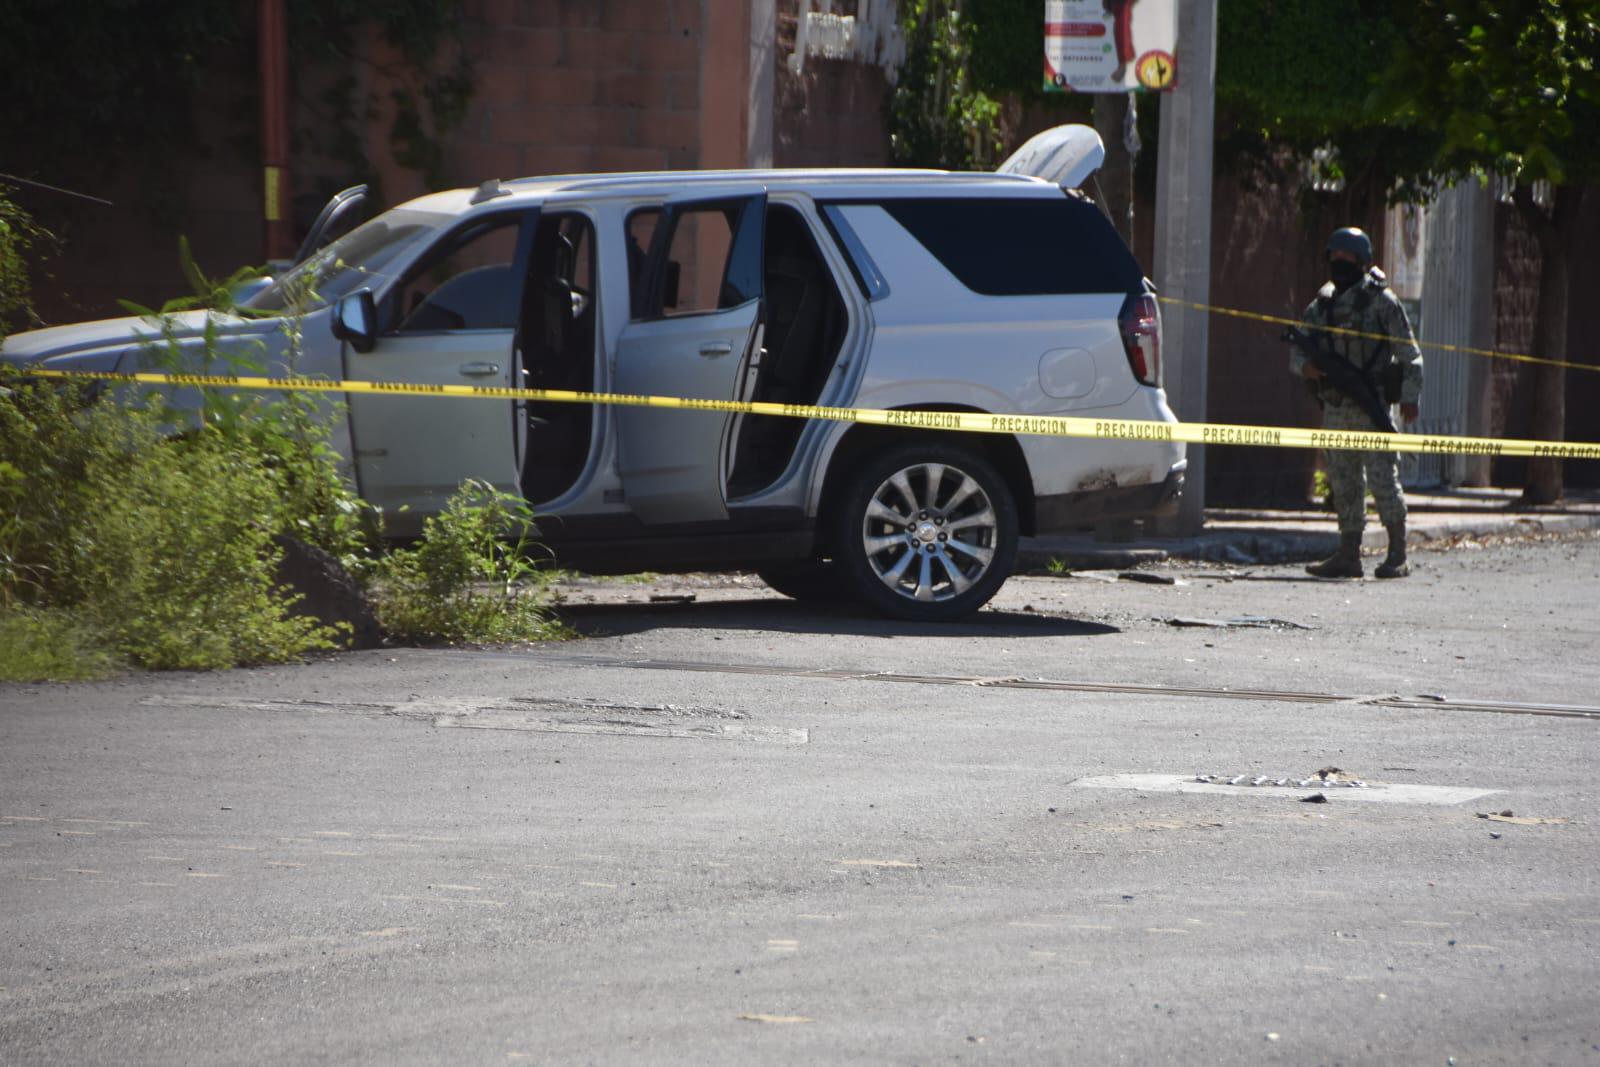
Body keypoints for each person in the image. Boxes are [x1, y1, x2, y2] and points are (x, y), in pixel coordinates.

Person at [1290, 227, 1423, 579]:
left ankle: (1397, 553)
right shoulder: (1323, 304)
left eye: (1348, 260)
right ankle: (1348, 553)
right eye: (1335, 259)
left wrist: (1409, 397)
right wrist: (1307, 367)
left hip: (1372, 404)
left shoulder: (1382, 302)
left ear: (1363, 263)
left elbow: (1410, 355)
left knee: (1382, 481)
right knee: (1344, 481)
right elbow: (1298, 349)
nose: (1340, 265)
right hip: (1336, 406)